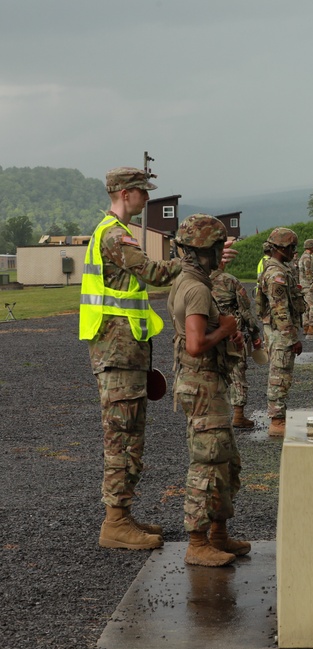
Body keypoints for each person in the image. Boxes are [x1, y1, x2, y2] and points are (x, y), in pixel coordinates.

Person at [79, 167, 176, 550]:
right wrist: (194, 262)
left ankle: (123, 514)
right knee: (121, 438)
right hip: (117, 352)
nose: (147, 197)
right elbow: (152, 272)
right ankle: (115, 523)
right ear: (124, 193)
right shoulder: (114, 235)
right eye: (142, 191)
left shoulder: (116, 232)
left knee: (131, 436)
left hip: (126, 351)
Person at [167, 214, 250, 567]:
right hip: (201, 385)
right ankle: (197, 542)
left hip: (206, 384)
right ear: (206, 250)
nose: (222, 253)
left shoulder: (187, 280)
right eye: (218, 247)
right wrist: (226, 327)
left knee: (225, 462)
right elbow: (196, 344)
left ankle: (218, 535)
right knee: (207, 464)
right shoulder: (197, 289)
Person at [255, 227, 306, 437]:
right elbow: (280, 309)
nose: (294, 251)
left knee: (282, 373)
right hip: (281, 333)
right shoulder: (276, 273)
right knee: (280, 374)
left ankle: (278, 417)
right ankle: (276, 421)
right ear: (281, 248)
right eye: (292, 247)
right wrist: (292, 338)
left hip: (278, 331)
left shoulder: (278, 268)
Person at [211, 256, 263, 429]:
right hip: (233, 334)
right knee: (237, 373)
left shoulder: (200, 281)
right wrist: (255, 334)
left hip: (207, 334)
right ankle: (238, 415)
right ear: (221, 262)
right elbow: (245, 310)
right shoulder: (230, 281)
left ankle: (214, 415)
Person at [298, 238, 313, 335]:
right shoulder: (307, 258)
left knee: (306, 307)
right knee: (312, 306)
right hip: (308, 286)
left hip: (302, 285)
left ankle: (305, 326)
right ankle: (311, 326)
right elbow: (308, 272)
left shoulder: (302, 257)